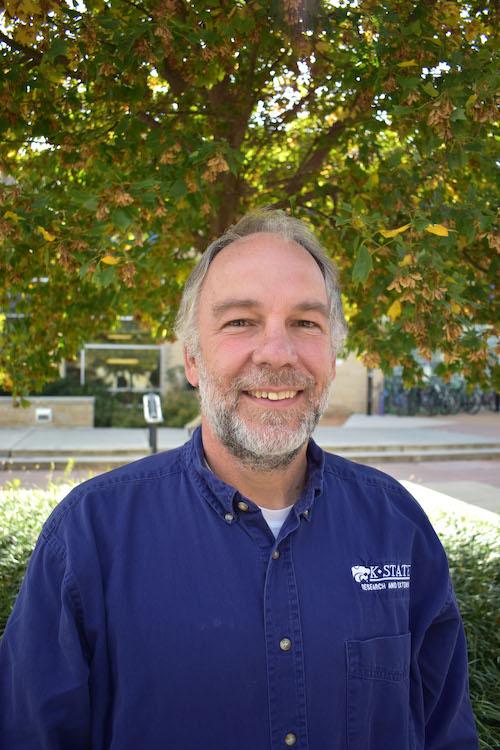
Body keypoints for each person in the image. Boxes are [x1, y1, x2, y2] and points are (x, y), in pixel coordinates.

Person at [0, 209, 478, 749]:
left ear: (333, 353)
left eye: (305, 323)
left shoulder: (397, 526)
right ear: (193, 361)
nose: (277, 352)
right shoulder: (88, 538)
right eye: (240, 322)